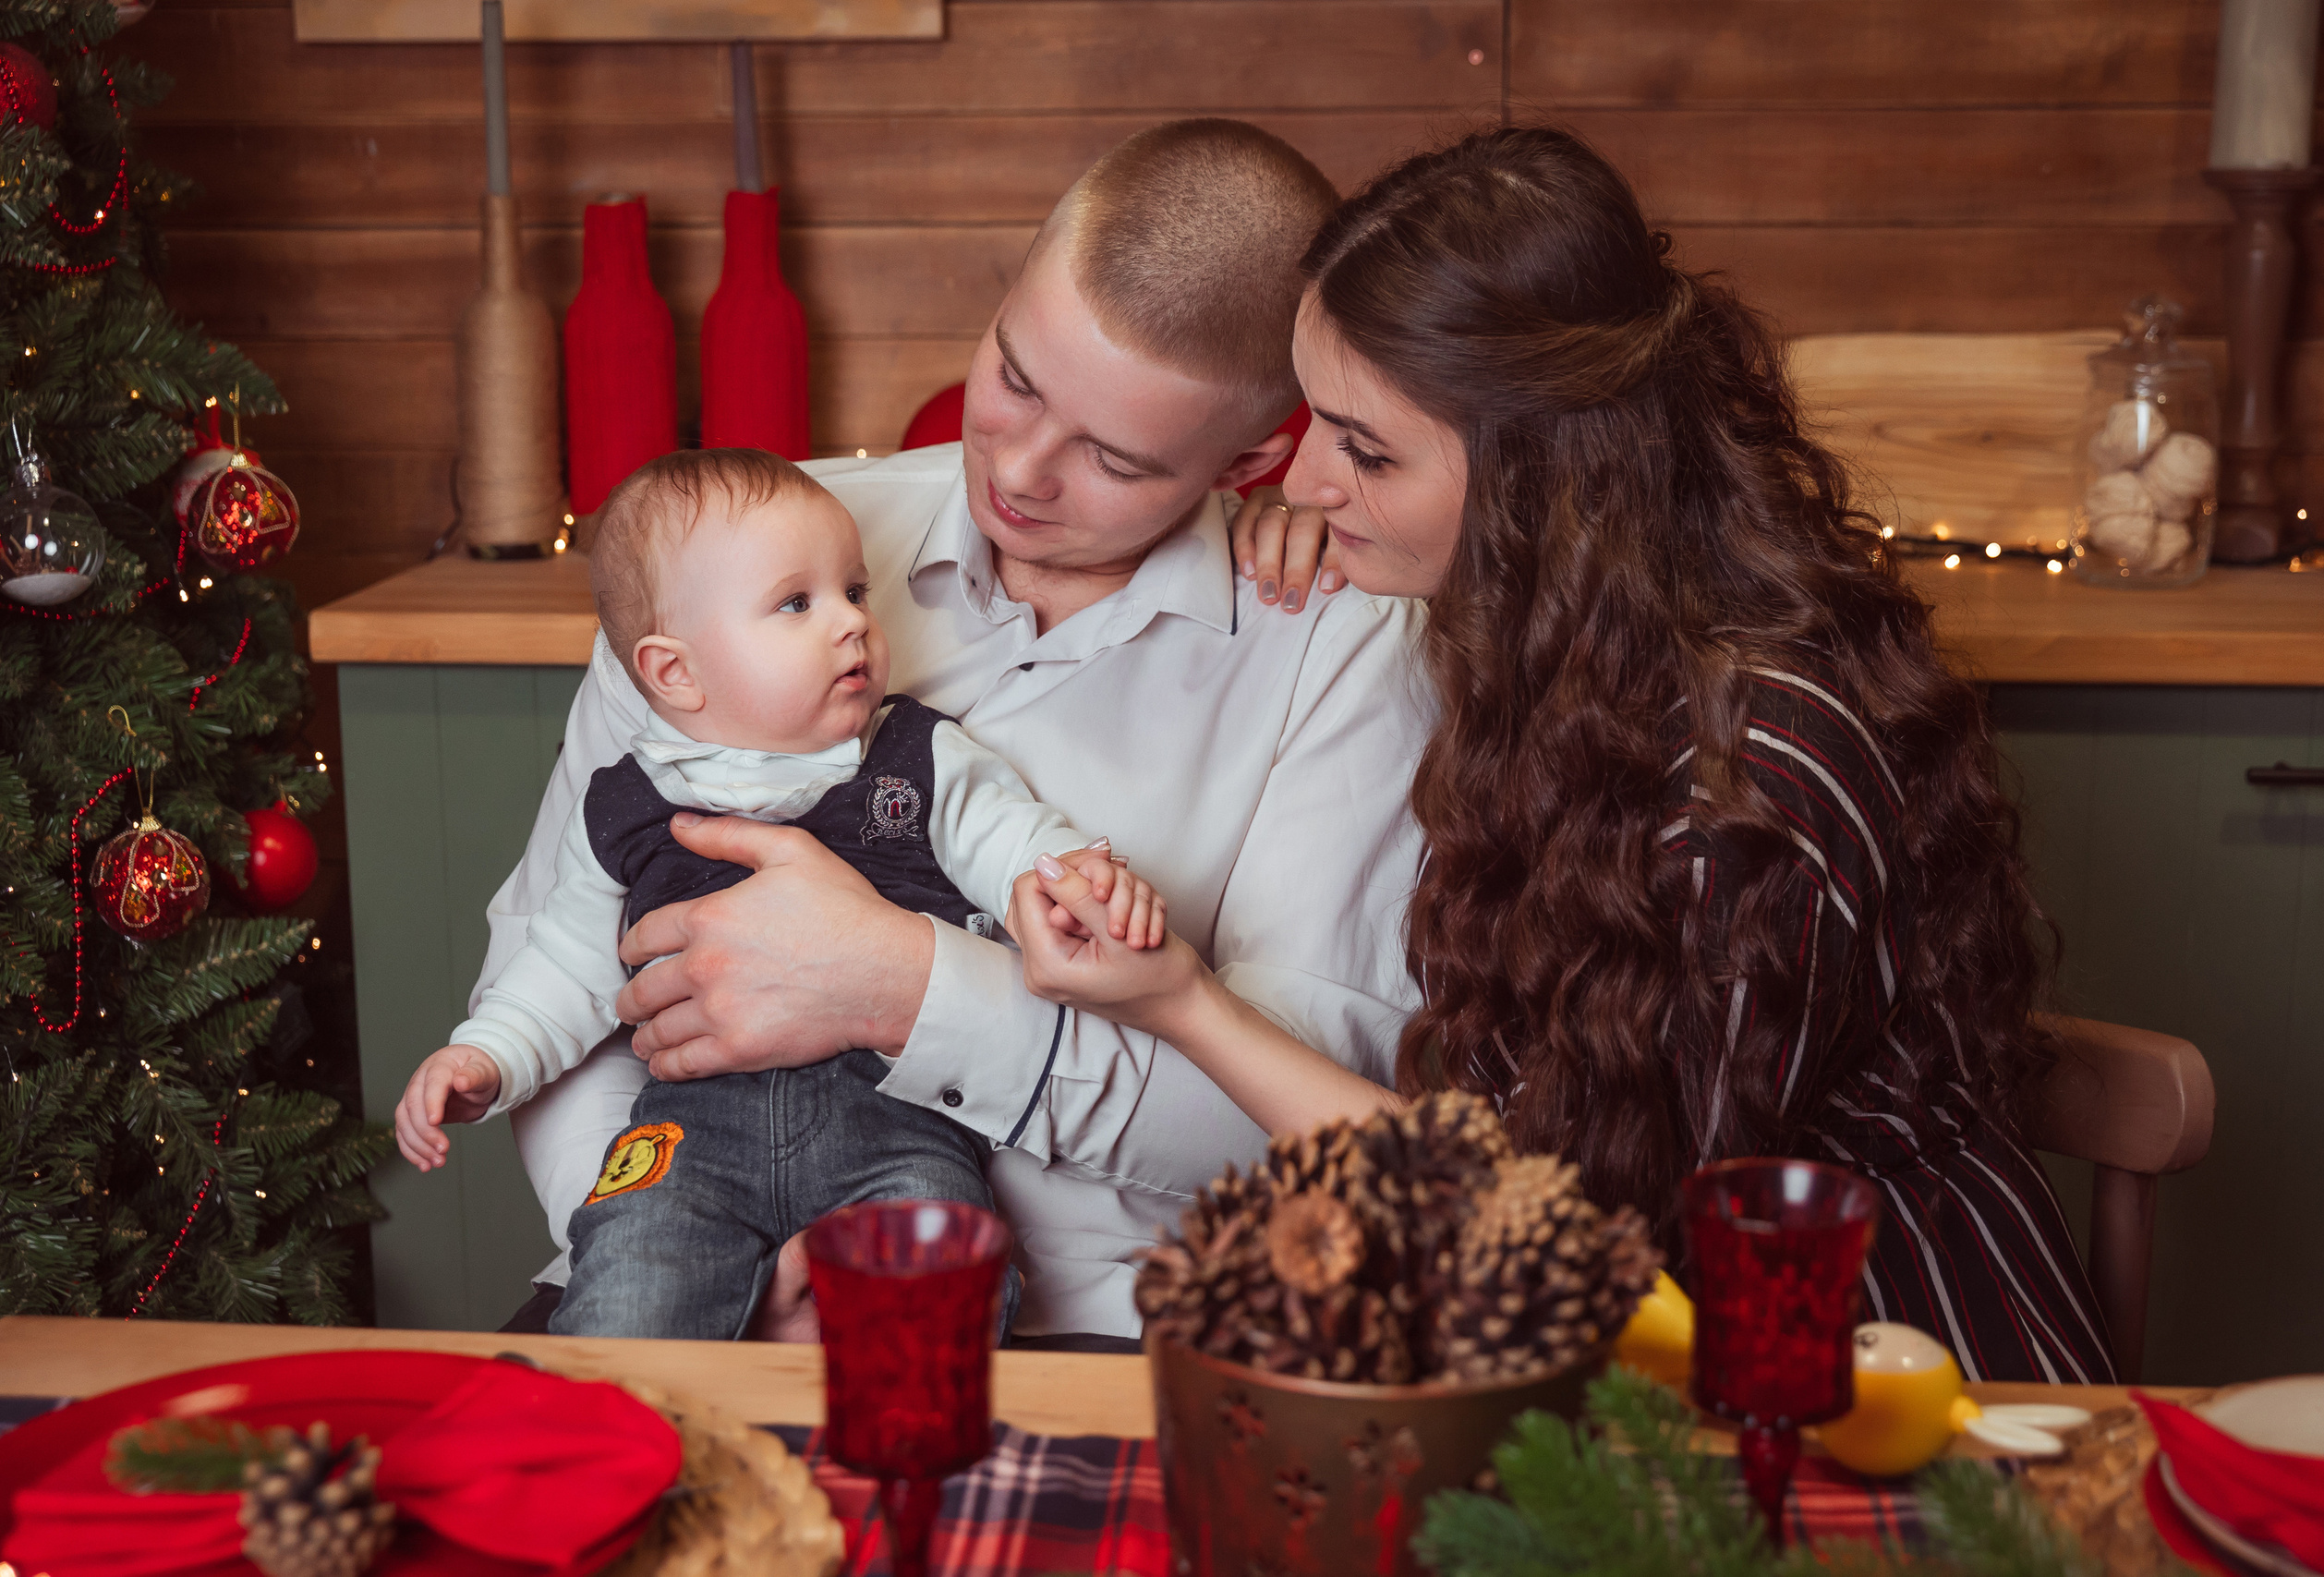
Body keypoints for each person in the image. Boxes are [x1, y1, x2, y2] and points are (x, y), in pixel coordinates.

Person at [1011, 125, 2117, 1385]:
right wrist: (1343, 506)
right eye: (1310, 423)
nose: (1306, 477)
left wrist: (1182, 1004)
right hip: (1641, 1336)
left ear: (1548, 481)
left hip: (1856, 1367)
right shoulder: (1569, 648)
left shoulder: (1750, 787)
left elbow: (1569, 1247)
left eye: (1364, 449)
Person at [475, 119, 1428, 1346]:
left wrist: (901, 985)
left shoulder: (1338, 650)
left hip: (1095, 1331)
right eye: (1017, 375)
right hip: (674, 1271)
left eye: (1115, 456)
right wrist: (693, 1261)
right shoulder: (731, 554)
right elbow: (553, 995)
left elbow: (1293, 1129)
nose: (1022, 470)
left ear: (1250, 458)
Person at [397, 450, 1163, 1340]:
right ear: (674, 671)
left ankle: (906, 1468)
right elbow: (562, 966)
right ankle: (626, 1458)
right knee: (624, 1282)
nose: (850, 624)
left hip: (897, 1124)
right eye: (796, 604)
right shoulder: (626, 802)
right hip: (688, 1135)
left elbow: (1011, 835)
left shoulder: (914, 758)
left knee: (944, 1288)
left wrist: (1075, 877)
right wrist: (484, 1056)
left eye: (855, 592)